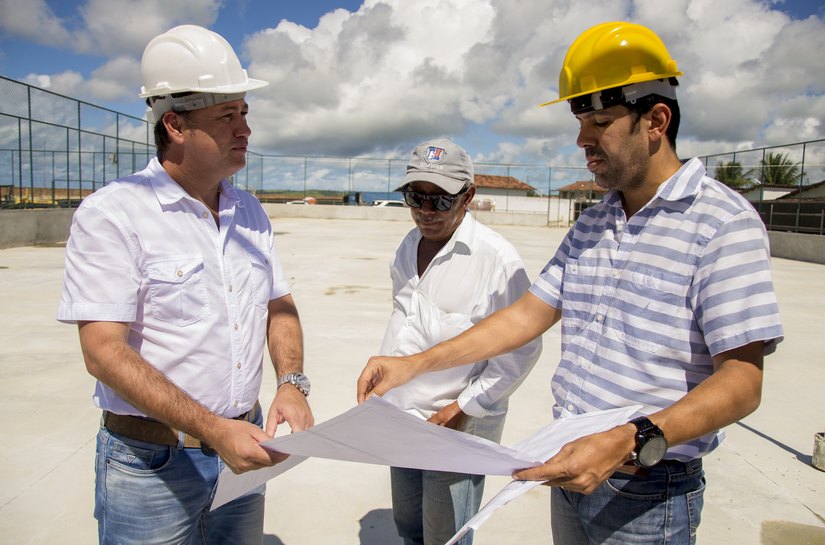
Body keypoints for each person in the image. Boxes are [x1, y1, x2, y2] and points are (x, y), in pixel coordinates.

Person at [358, 21, 783, 545]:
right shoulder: (594, 221)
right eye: (581, 122)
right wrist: (412, 365)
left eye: (600, 121)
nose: (582, 141)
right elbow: (526, 315)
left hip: (647, 491)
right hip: (571, 470)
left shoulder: (722, 223)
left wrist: (632, 438)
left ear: (656, 120)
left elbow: (743, 382)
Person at [57, 25, 313, 545]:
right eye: (227, 116)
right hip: (151, 468)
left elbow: (278, 304)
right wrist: (213, 429)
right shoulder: (114, 214)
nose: (245, 129)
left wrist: (291, 381)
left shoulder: (249, 212)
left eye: (245, 113)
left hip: (246, 450)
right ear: (174, 124)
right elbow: (103, 352)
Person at [380, 139, 542, 545]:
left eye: (440, 201)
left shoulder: (497, 260)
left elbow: (521, 348)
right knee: (410, 529)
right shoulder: (407, 247)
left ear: (468, 196)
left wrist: (464, 407)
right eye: (415, 198)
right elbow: (404, 320)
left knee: (445, 538)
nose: (425, 212)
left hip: (455, 427)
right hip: (401, 418)